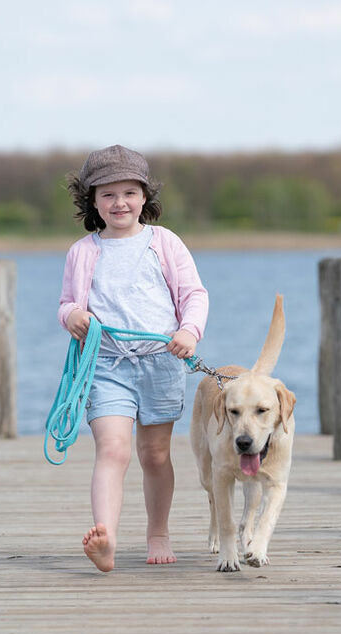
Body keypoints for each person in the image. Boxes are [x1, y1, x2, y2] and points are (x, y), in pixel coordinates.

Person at [57, 144, 209, 572]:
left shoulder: (165, 243)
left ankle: (158, 530)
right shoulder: (83, 251)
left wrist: (188, 332)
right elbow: (67, 302)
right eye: (107, 194)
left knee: (155, 454)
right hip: (105, 364)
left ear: (145, 197)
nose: (119, 202)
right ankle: (106, 536)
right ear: (92, 201)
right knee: (112, 449)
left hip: (161, 361)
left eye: (129, 192)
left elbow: (193, 295)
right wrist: (73, 315)